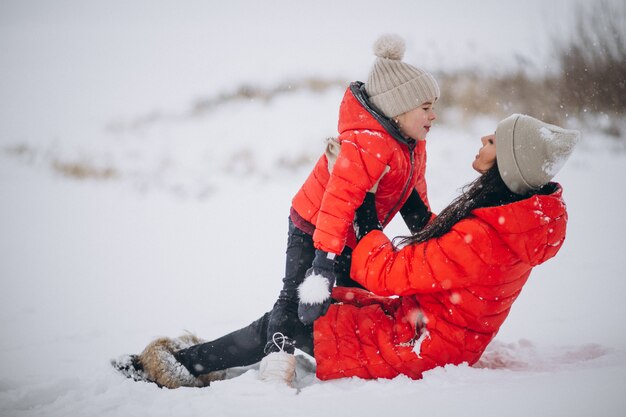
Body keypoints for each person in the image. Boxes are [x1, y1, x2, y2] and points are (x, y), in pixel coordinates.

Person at [113, 113, 579, 388]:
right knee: (312, 309)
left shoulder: (488, 236)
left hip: (419, 345)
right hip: (425, 325)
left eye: (494, 140)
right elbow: (439, 246)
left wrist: (367, 200)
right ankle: (197, 360)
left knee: (299, 318)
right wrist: (404, 198)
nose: (483, 140)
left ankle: (179, 368)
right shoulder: (511, 219)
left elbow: (387, 272)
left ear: (511, 164)